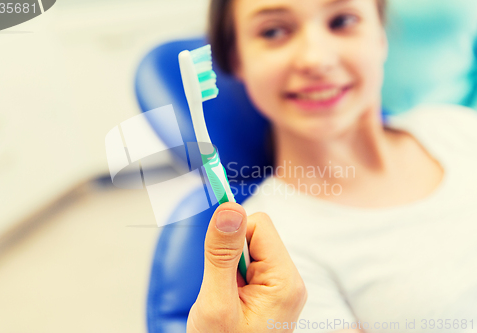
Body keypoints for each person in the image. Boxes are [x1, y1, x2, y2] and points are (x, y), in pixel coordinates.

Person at [187, 0, 477, 332]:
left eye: (342, 21)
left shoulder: (459, 127)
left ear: (380, 37)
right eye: (274, 31)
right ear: (237, 58)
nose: (316, 59)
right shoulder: (270, 251)